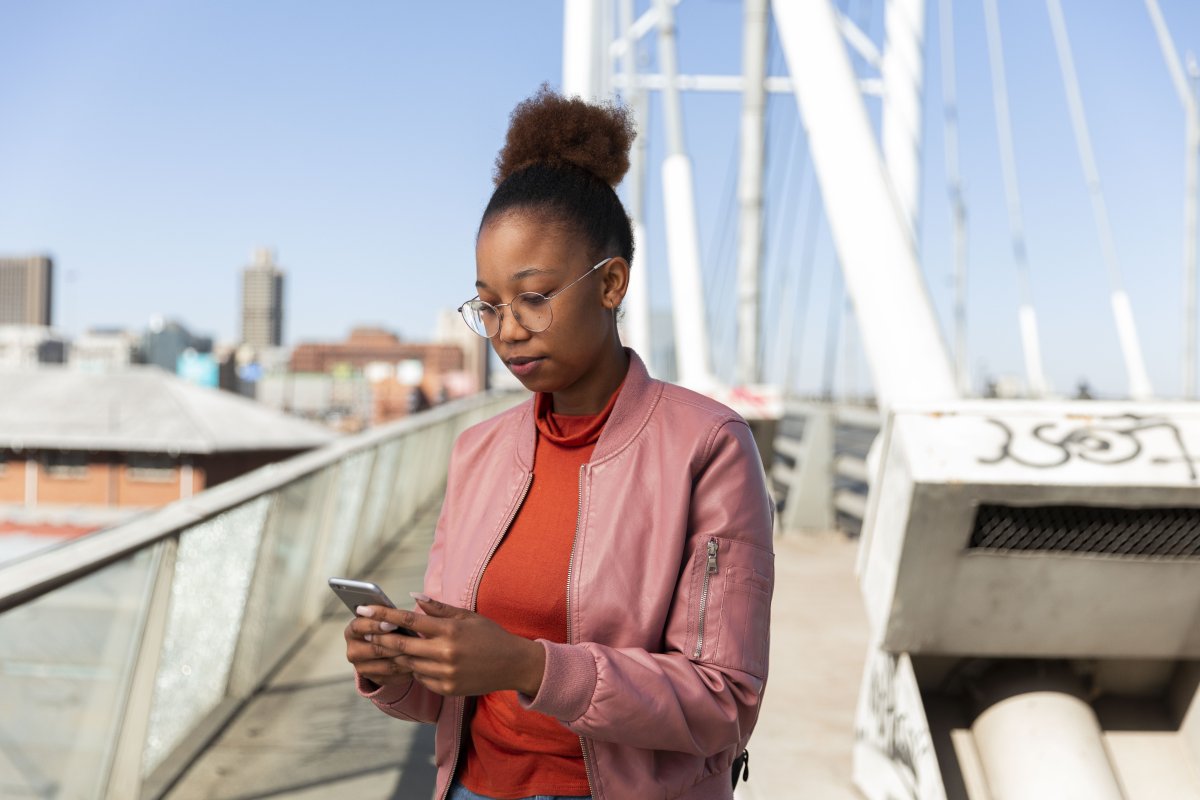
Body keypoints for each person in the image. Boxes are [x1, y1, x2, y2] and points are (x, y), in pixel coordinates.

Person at [344, 86, 774, 800]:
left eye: (534, 297)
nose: (508, 329)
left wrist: (530, 667)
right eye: (488, 305)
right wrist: (395, 667)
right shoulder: (478, 451)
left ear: (611, 284)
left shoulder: (707, 447)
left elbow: (724, 702)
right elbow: (452, 694)